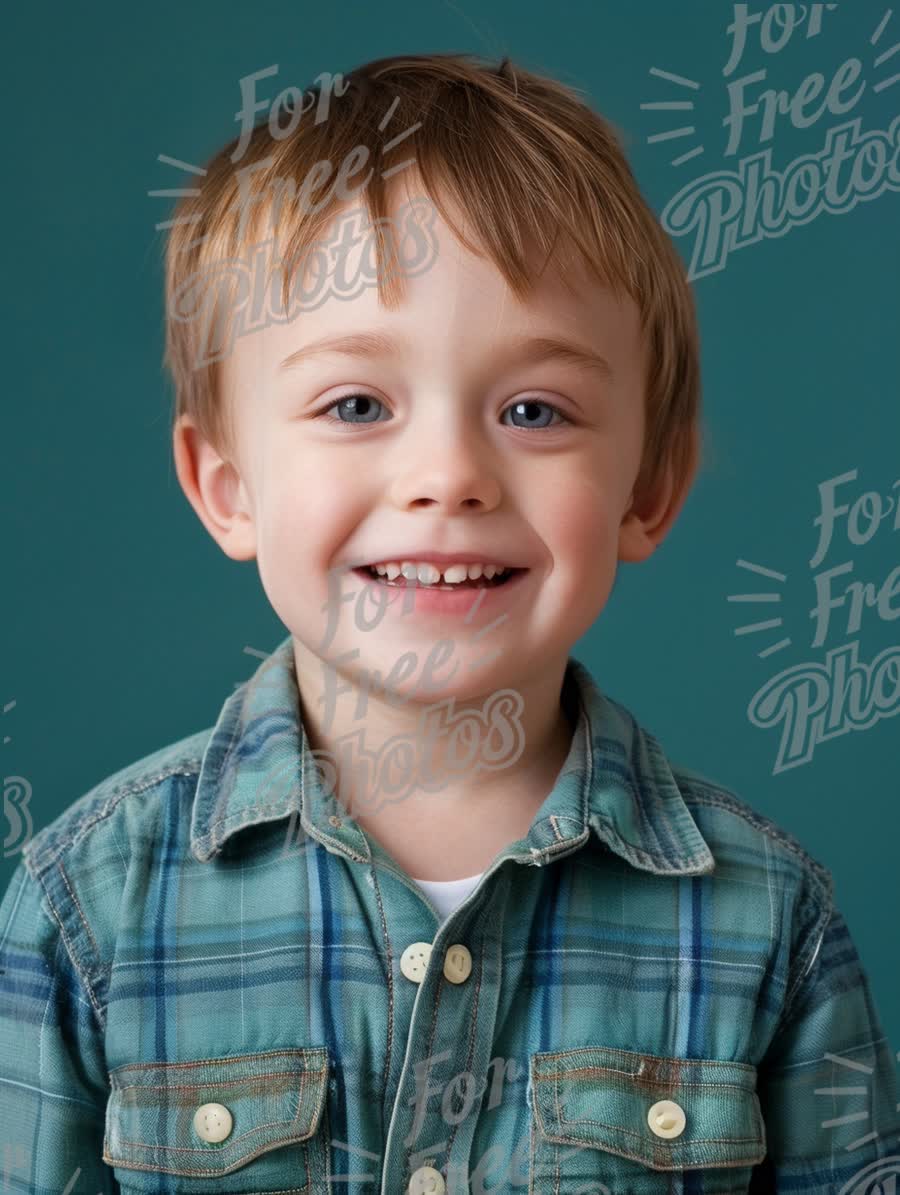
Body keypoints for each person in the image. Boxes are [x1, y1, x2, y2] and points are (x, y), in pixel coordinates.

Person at [1, 52, 897, 1195]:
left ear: (647, 490)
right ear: (227, 484)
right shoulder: (87, 905)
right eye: (357, 404)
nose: (448, 473)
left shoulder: (772, 919)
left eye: (534, 409)